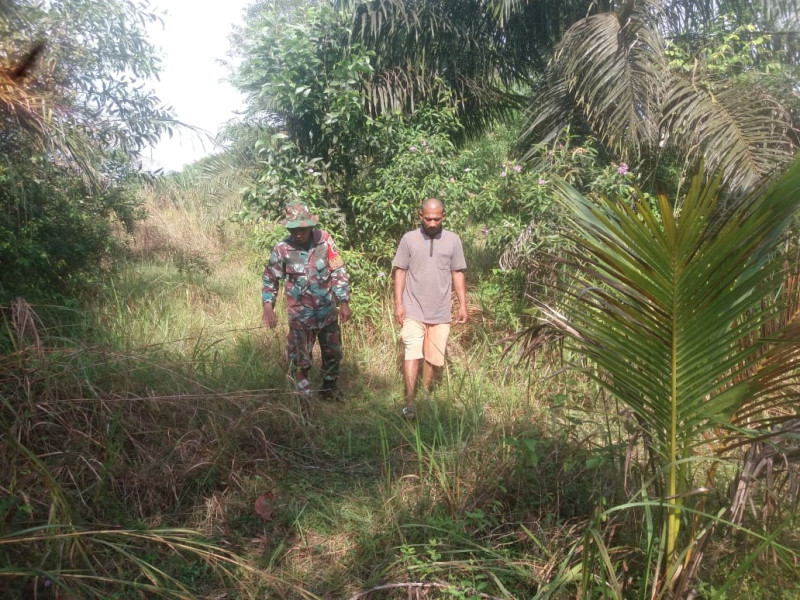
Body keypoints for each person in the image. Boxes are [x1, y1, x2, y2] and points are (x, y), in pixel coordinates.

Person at [262, 201, 352, 403]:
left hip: (327, 314)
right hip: (300, 319)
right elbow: (270, 278)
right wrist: (268, 306)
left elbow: (338, 270)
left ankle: (329, 391)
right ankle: (303, 401)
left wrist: (344, 301)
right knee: (300, 361)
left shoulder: (325, 240)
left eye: (302, 229)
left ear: (311, 225)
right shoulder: (282, 249)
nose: (298, 234)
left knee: (333, 354)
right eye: (293, 229)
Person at [392, 197, 467, 418]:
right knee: (412, 352)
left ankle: (424, 395)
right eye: (427, 219)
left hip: (441, 309)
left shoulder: (453, 240)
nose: (432, 223)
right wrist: (398, 304)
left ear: (443, 216)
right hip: (413, 306)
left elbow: (458, 272)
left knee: (433, 357)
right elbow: (401, 271)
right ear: (420, 216)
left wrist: (463, 305)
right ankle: (410, 402)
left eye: (436, 219)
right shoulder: (409, 239)